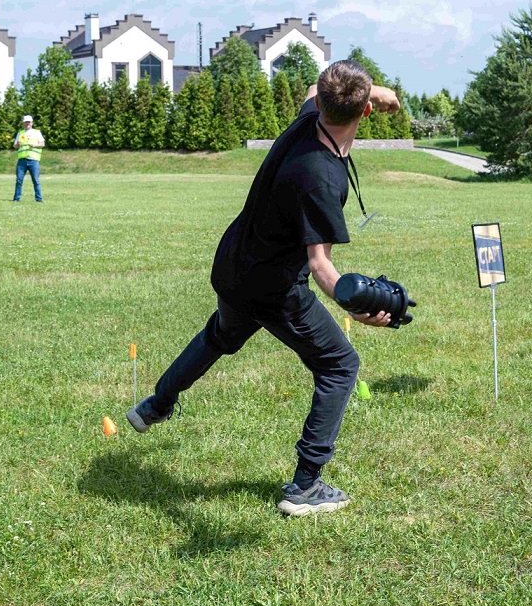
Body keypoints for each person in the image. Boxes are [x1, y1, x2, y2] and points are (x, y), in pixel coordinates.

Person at [126, 60, 402, 516]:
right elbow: (320, 265)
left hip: (234, 265)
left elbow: (320, 86)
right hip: (274, 288)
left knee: (221, 335)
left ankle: (155, 404)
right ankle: (306, 487)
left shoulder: (306, 120)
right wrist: (355, 306)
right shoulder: (322, 178)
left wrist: (377, 90)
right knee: (339, 365)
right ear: (364, 113)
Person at [12, 114, 45, 203]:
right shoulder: (20, 133)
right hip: (22, 160)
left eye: (28, 122)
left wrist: (35, 145)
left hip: (33, 160)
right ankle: (16, 198)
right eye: (25, 122)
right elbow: (15, 146)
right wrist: (17, 144)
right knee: (19, 180)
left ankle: (39, 199)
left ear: (32, 123)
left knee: (36, 180)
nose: (27, 124)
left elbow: (42, 144)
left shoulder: (37, 132)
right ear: (23, 123)